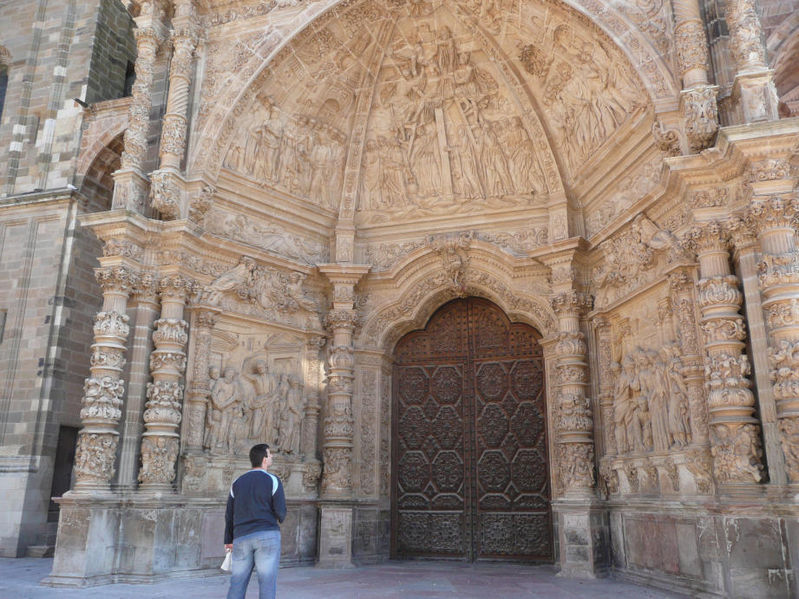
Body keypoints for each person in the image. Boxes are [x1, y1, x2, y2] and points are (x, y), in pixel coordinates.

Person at [224, 443, 287, 599]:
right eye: (270, 454)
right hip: (267, 535)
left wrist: (228, 540)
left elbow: (229, 513)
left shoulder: (237, 482)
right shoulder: (273, 480)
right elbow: (281, 512)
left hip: (241, 537)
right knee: (267, 584)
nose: (272, 456)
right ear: (264, 459)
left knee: (237, 583)